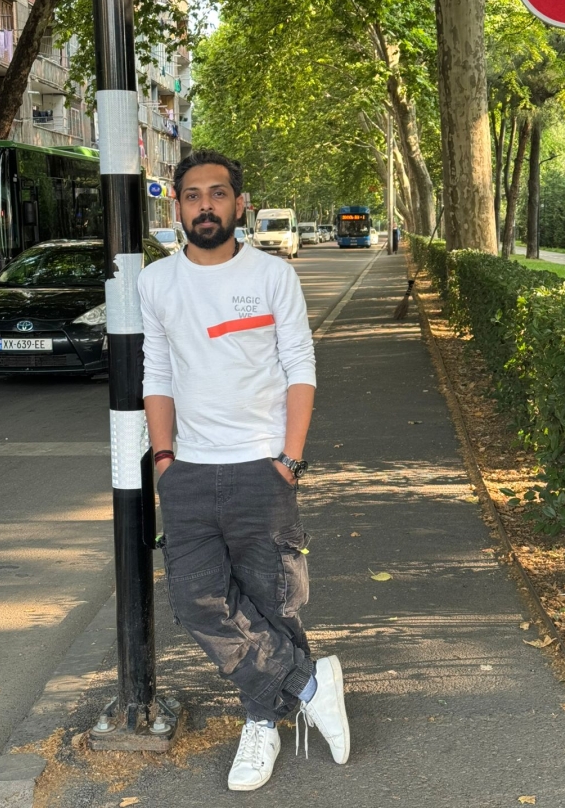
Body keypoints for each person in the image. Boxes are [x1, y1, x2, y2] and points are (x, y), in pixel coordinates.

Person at [138, 150, 350, 791]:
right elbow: (158, 372)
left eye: (218, 193)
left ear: (239, 204)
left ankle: (261, 724)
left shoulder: (272, 275)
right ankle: (310, 683)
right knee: (197, 601)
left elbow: (300, 365)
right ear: (178, 206)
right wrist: (165, 459)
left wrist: (290, 457)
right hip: (190, 471)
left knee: (271, 601)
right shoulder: (157, 283)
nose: (205, 205)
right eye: (192, 195)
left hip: (262, 466)